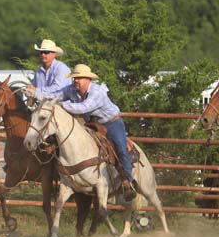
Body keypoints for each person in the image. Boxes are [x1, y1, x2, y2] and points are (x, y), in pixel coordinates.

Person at [30, 64, 138, 201]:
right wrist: (35, 93)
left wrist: (60, 105)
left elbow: (84, 107)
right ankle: (70, 178)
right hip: (91, 123)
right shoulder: (71, 90)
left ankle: (128, 182)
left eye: (79, 78)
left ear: (88, 80)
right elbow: (54, 95)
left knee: (120, 148)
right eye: (75, 78)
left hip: (111, 123)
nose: (76, 81)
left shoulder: (97, 92)